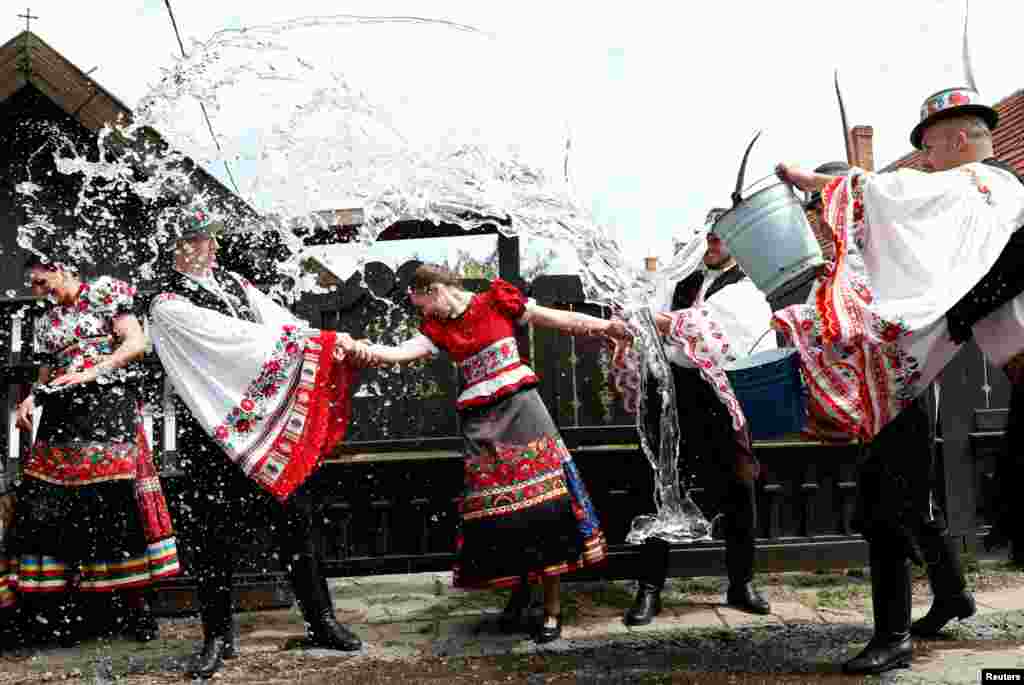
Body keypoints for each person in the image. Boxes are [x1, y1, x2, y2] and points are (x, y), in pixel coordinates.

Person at [775, 83, 1024, 674]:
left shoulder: (981, 188)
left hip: (909, 378)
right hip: (953, 375)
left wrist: (819, 183)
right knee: (899, 500)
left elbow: (904, 197)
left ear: (959, 141)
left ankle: (894, 635)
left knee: (888, 502)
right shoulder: (986, 203)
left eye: (931, 152)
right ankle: (950, 595)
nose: (926, 165)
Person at [351, 264, 628, 643]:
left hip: (524, 413)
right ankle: (519, 591)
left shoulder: (498, 301)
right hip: (481, 425)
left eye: (423, 305)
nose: (424, 314)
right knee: (499, 514)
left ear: (434, 290)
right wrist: (366, 350)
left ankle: (551, 609)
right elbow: (401, 353)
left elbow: (556, 317)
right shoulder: (439, 328)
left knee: (545, 507)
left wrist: (606, 327)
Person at [145, 212, 364, 678]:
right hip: (211, 432)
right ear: (179, 247)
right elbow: (238, 343)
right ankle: (217, 637)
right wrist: (307, 344)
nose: (210, 248)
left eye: (210, 241)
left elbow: (279, 322)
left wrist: (325, 341)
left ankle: (321, 621)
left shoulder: (236, 285)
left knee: (294, 521)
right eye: (199, 241)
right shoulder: (167, 303)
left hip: (260, 424)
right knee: (212, 536)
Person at [1, 258, 179, 647]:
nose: (37, 289)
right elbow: (48, 372)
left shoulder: (104, 294)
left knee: (114, 502)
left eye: (41, 280)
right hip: (63, 419)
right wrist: (31, 399)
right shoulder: (46, 320)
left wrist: (92, 371)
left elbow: (136, 343)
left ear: (61, 267)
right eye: (32, 284)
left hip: (107, 410)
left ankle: (136, 609)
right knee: (48, 503)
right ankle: (56, 613)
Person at [624, 217, 775, 626]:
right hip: (675, 395)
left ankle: (741, 583)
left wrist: (663, 325)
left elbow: (712, 331)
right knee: (661, 486)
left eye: (722, 235)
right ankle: (649, 589)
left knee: (740, 487)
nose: (712, 242)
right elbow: (651, 327)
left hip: (723, 397)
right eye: (708, 235)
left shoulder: (749, 285)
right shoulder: (678, 280)